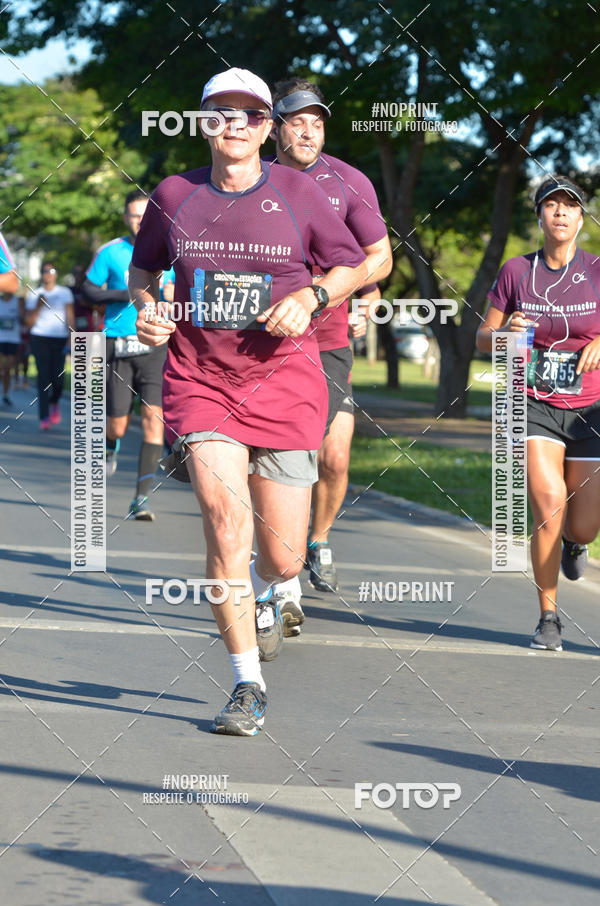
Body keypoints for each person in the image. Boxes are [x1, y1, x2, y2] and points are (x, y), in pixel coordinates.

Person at [130, 67, 366, 735]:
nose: (235, 124)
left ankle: (273, 591)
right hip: (202, 381)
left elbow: (353, 263)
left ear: (268, 127)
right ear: (203, 121)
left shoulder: (298, 192)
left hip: (287, 385)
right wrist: (149, 307)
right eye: (221, 113)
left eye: (250, 114)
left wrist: (312, 296)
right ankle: (246, 684)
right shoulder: (174, 195)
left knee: (284, 555)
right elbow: (143, 267)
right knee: (224, 524)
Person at [269, 77, 392, 633]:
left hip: (329, 339)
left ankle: (317, 538)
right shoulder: (255, 179)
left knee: (335, 457)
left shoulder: (348, 180)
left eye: (317, 122)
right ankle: (278, 576)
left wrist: (344, 288)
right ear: (276, 126)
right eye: (298, 121)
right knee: (279, 458)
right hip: (264, 341)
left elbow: (380, 257)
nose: (308, 131)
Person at [476, 175, 600, 651]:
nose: (561, 213)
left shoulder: (596, 270)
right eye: (552, 205)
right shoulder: (515, 272)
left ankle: (577, 542)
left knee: (583, 522)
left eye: (570, 205)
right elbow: (483, 340)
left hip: (592, 409)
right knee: (549, 505)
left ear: (581, 218)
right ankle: (549, 616)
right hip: (533, 404)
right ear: (540, 217)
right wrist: (506, 329)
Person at [83, 190, 174, 521]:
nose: (139, 221)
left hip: (156, 347)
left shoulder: (172, 249)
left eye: (144, 215)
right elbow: (89, 289)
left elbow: (184, 290)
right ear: (125, 218)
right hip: (118, 343)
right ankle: (110, 443)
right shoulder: (111, 252)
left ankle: (141, 498)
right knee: (117, 425)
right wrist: (133, 293)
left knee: (154, 421)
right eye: (134, 216)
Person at [25, 262, 74, 430]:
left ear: (56, 274)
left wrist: (71, 337)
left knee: (58, 378)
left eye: (51, 271)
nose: (48, 274)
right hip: (39, 337)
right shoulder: (35, 294)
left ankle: (54, 402)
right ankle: (44, 416)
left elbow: (70, 316)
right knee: (43, 377)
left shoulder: (64, 292)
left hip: (59, 338)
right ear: (41, 274)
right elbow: (28, 323)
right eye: (45, 271)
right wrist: (38, 306)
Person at [0, 290, 22, 407]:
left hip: (13, 340)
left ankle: (5, 395)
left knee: (7, 369)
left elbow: (24, 319)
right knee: (1, 368)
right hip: (0, 339)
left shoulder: (18, 301)